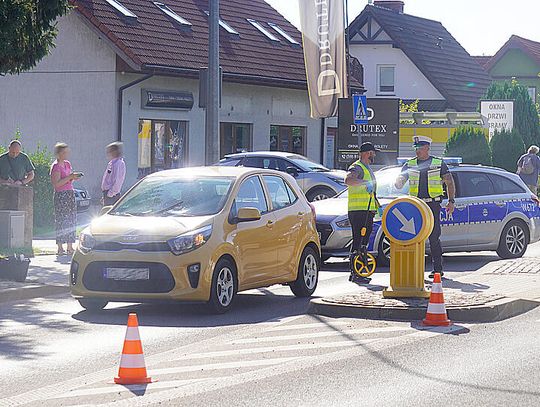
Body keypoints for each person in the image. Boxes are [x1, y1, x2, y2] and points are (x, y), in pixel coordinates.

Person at [395, 136, 456, 278]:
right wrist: (398, 182)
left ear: (427, 148)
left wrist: (451, 201)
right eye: (415, 148)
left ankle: (437, 269)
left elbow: (449, 182)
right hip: (415, 205)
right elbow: (399, 183)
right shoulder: (409, 164)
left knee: (434, 237)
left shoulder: (438, 163)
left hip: (432, 205)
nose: (417, 151)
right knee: (414, 238)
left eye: (420, 148)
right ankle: (414, 270)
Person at [345, 142, 380, 283]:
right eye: (373, 152)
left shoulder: (366, 168)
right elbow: (348, 180)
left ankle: (358, 271)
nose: (375, 155)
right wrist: (366, 182)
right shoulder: (357, 167)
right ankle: (355, 273)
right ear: (367, 153)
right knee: (358, 241)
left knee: (362, 242)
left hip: (366, 210)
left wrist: (377, 206)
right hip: (359, 211)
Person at [50, 143, 81, 255]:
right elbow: (56, 184)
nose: (66, 154)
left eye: (67, 152)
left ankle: (70, 246)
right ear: (58, 154)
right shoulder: (56, 166)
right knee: (61, 219)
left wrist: (72, 178)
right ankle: (60, 247)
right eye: (64, 152)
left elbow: (68, 180)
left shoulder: (67, 164)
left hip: (69, 192)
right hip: (61, 195)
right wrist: (69, 177)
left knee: (71, 219)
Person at [101, 142, 126, 206]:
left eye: (110, 151)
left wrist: (110, 194)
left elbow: (118, 180)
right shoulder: (111, 163)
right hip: (107, 194)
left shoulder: (119, 163)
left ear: (115, 152)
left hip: (112, 195)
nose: (108, 154)